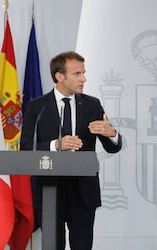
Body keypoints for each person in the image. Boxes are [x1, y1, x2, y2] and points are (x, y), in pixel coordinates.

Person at [20, 51, 122, 250]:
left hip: (83, 192)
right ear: (59, 76)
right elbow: (25, 150)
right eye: (77, 74)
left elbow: (112, 147)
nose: (84, 78)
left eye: (83, 73)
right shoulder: (36, 107)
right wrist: (55, 145)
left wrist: (112, 133)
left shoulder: (92, 105)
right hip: (50, 191)